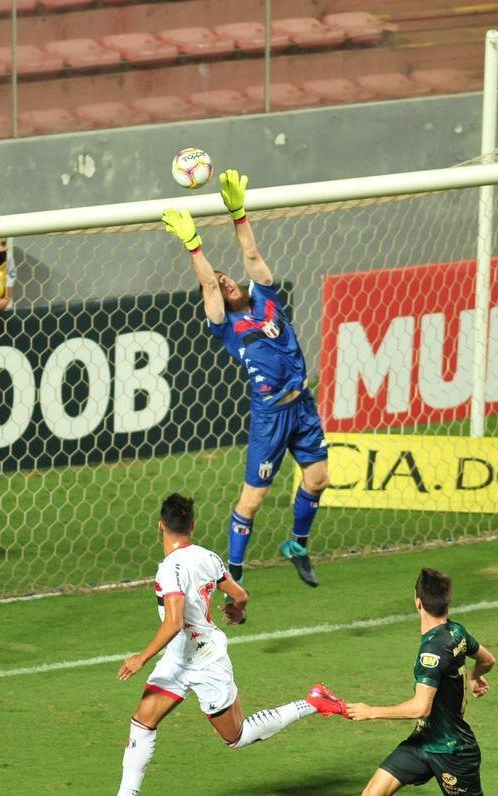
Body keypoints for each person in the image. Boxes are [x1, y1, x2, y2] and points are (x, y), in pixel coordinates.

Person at [162, 168, 329, 607]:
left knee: (318, 478)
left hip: (303, 405)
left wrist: (237, 213)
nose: (226, 282)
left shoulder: (267, 297)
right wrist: (193, 244)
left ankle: (297, 543)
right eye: (220, 284)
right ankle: (232, 577)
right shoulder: (228, 328)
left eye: (227, 278)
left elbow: (251, 255)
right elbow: (204, 281)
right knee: (251, 503)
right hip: (271, 415)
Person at [115, 493, 347, 796]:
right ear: (193, 526)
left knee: (237, 736)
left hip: (207, 662)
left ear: (161, 526)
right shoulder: (208, 557)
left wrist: (140, 659)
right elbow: (240, 595)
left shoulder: (169, 569)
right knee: (143, 722)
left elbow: (173, 623)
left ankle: (314, 702)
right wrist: (238, 612)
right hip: (177, 660)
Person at [343, 568, 495, 796]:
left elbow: (420, 707)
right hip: (423, 741)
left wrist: (370, 711)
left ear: (418, 601)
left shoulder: (431, 653)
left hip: (453, 751)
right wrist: (474, 675)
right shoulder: (457, 631)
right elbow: (488, 660)